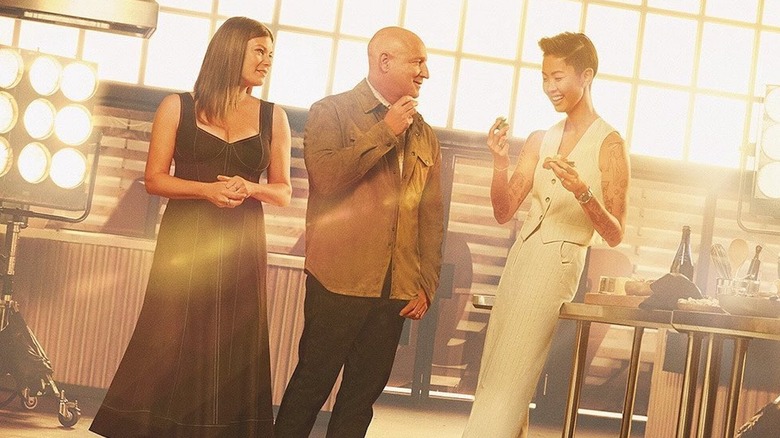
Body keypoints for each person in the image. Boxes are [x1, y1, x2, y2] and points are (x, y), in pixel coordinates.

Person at [89, 16, 291, 438]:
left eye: (271, 54)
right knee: (169, 333)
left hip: (242, 243)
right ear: (230, 51)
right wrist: (206, 191)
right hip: (184, 239)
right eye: (259, 51)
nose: (267, 61)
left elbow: (283, 192)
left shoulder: (274, 117)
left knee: (234, 340)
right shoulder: (176, 106)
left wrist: (251, 187)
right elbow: (154, 180)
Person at [274, 26, 444, 438]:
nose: (425, 73)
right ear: (384, 61)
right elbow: (327, 178)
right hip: (338, 279)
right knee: (311, 385)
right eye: (417, 62)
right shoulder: (330, 112)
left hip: (396, 288)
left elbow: (431, 216)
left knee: (361, 398)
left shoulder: (424, 132)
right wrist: (385, 130)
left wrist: (426, 283)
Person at [462, 32, 630, 438]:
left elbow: (614, 233)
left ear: (586, 76)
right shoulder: (540, 139)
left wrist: (583, 192)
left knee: (515, 368)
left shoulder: (610, 144)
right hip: (522, 257)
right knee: (496, 366)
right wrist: (499, 161)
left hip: (559, 261)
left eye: (558, 77)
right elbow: (504, 211)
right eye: (544, 78)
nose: (549, 87)